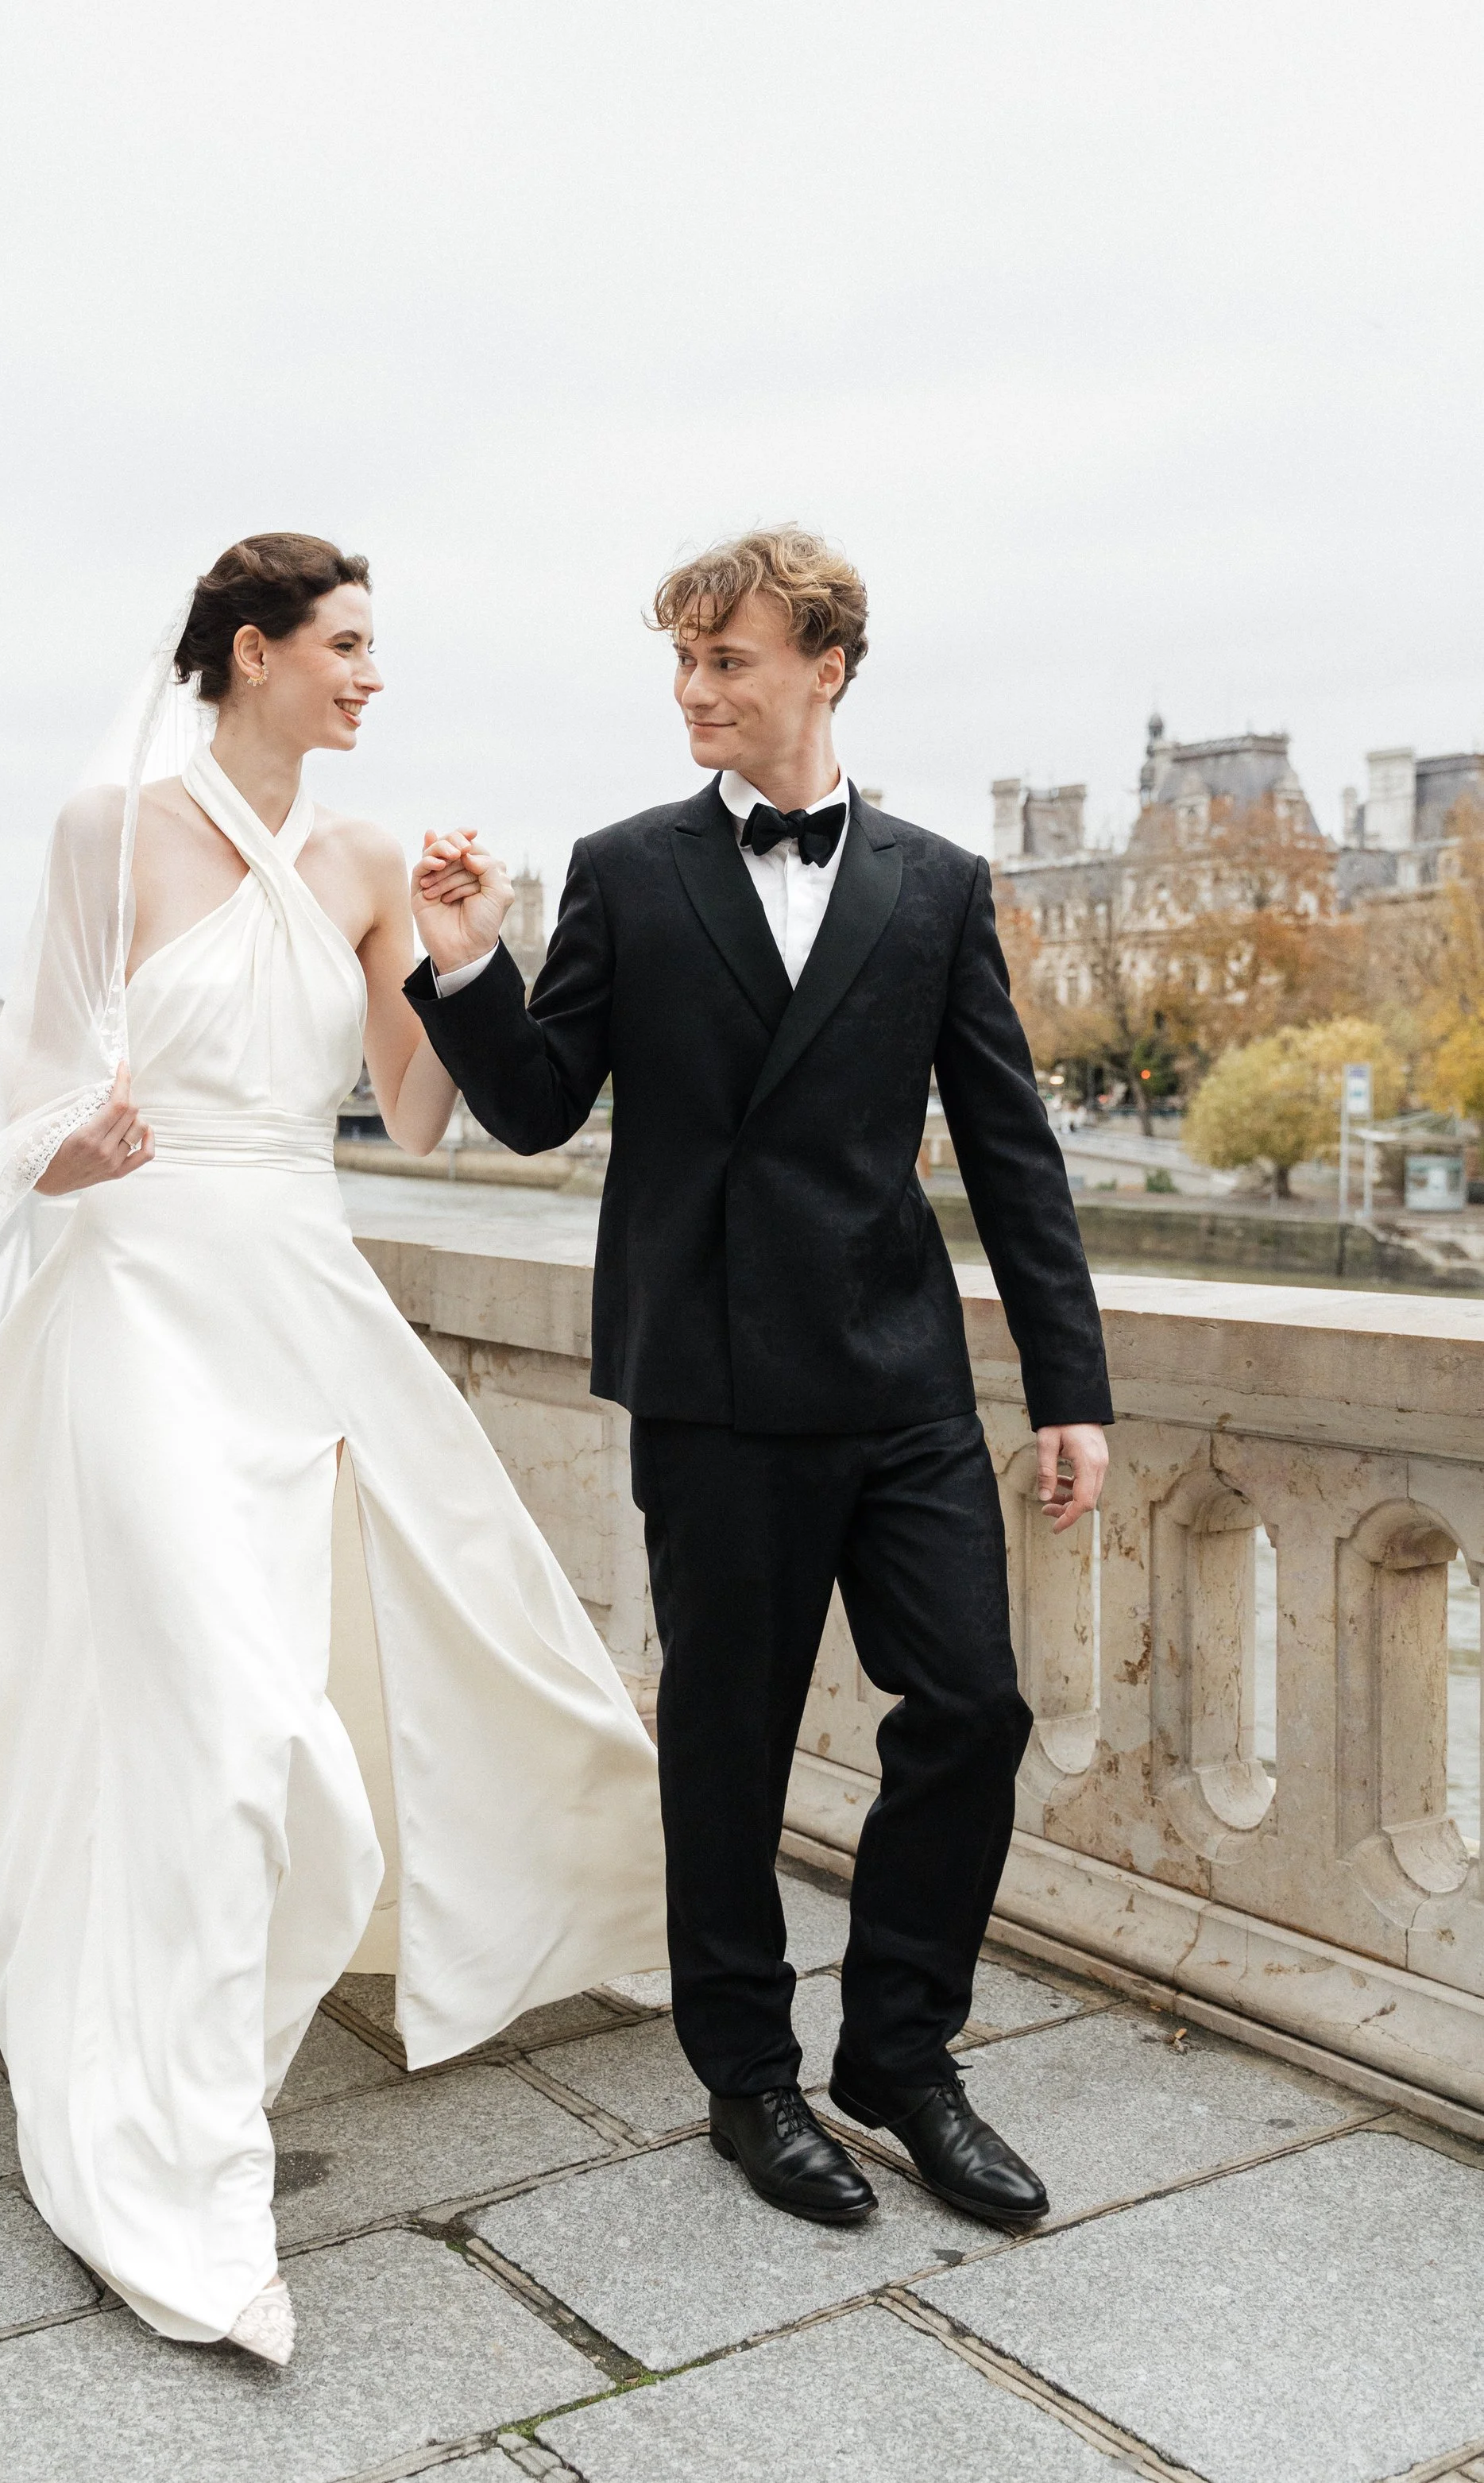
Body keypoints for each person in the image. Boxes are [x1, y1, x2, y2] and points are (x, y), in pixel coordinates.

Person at [0, 534, 666, 2365]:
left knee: (480, 1617)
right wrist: (75, 1150)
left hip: (299, 1287)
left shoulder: (375, 861)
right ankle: (172, 2116)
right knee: (222, 1705)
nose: (376, 675)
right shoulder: (102, 829)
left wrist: (465, 957)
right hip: (135, 1302)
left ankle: (450, 1922)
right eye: (351, 643)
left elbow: (418, 1118)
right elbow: (31, 1101)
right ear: (253, 649)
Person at [408, 527, 1111, 2233]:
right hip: (711, 1379)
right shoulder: (626, 869)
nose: (693, 690)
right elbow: (531, 1105)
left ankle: (900, 2054)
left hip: (902, 1377)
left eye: (726, 659)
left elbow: (1008, 1145)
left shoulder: (937, 881)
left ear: (825, 666)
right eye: (680, 660)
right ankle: (748, 2078)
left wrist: (1068, 1381)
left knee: (969, 1706)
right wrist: (464, 962)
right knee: (724, 1742)